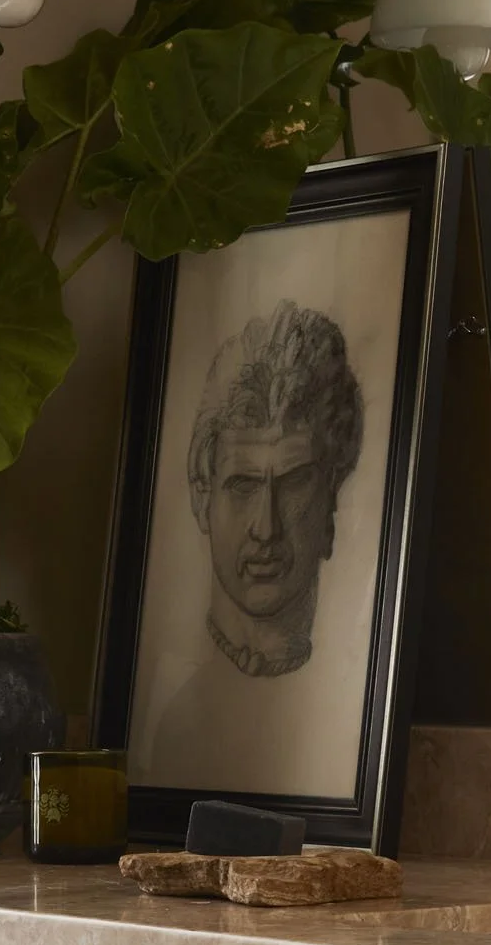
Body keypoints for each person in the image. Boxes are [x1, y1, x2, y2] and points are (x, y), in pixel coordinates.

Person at [135, 298, 366, 793]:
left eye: (295, 482)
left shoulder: (359, 710)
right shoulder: (172, 716)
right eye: (242, 486)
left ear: (332, 495)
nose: (266, 528)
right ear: (202, 496)